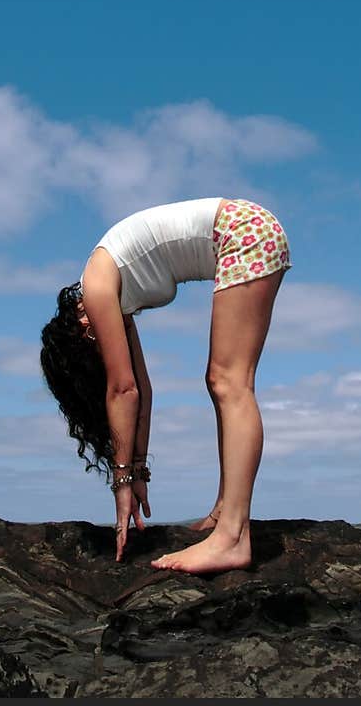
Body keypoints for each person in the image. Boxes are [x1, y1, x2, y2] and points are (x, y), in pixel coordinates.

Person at [39, 196, 291, 573]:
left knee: (229, 381)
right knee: (221, 380)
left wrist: (121, 483)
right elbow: (142, 389)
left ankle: (233, 537)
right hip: (248, 231)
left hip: (245, 233)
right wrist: (136, 469)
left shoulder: (96, 287)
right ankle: (226, 511)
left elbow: (123, 390)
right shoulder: (112, 294)